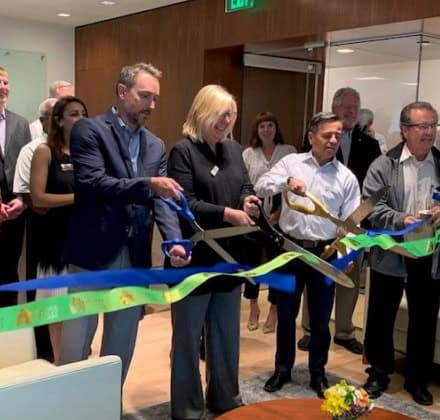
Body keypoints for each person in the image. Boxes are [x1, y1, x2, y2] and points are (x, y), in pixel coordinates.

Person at [58, 63, 189, 388]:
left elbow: (162, 201)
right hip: (91, 258)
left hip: (133, 259)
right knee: (75, 350)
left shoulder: (156, 144)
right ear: (121, 92)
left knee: (120, 350)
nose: (151, 105)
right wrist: (149, 185)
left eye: (155, 98)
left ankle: (107, 408)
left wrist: (173, 240)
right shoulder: (88, 130)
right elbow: (92, 183)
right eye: (145, 96)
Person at [167, 84, 259, 419]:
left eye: (230, 115)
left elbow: (245, 186)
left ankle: (225, 400)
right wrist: (226, 212)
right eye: (220, 114)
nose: (225, 120)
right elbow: (184, 202)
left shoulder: (233, 149)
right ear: (202, 112)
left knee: (225, 338)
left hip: (228, 258)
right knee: (188, 344)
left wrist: (249, 200)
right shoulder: (183, 151)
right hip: (193, 261)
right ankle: (188, 410)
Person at [255, 112, 360, 398]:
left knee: (321, 318)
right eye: (327, 135)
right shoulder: (292, 163)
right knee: (286, 314)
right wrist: (287, 181)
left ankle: (318, 373)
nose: (334, 140)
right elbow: (261, 185)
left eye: (338, 134)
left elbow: (352, 224)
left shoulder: (346, 178)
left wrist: (347, 255)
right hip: (290, 250)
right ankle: (282, 369)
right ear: (311, 137)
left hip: (325, 254)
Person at [362, 101, 440, 406]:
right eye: (423, 126)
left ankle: (417, 379)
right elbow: (370, 210)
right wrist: (402, 219)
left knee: (424, 319)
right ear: (405, 130)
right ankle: (378, 373)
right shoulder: (385, 164)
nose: (430, 132)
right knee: (381, 316)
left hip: (428, 256)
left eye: (434, 125)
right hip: (391, 253)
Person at [298, 87, 381, 355]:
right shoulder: (315, 138)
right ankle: (311, 329)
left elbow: (372, 187)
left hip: (353, 225)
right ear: (335, 108)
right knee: (317, 278)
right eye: (346, 107)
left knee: (349, 278)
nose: (351, 112)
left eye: (355, 108)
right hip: (321, 225)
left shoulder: (369, 144)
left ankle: (344, 331)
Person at [30, 96, 88, 365]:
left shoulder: (88, 154)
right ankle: (59, 362)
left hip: (82, 240)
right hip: (54, 241)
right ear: (59, 120)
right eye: (73, 114)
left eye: (83, 114)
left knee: (80, 309)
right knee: (58, 309)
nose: (80, 119)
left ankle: (77, 359)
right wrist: (77, 199)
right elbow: (38, 198)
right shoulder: (45, 152)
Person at [242, 111, 296, 333]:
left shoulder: (288, 152)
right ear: (257, 130)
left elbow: (293, 185)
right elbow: (243, 184)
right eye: (262, 126)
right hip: (254, 215)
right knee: (252, 264)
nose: (266, 130)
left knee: (277, 264)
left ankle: (273, 309)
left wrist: (280, 212)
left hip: (279, 215)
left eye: (270, 125)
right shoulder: (248, 153)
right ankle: (253, 307)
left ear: (276, 128)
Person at [13, 97, 57, 361]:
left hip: (69, 231)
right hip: (40, 227)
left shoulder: (74, 149)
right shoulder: (32, 150)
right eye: (58, 113)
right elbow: (27, 194)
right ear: (42, 121)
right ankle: (40, 349)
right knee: (39, 289)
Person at [0, 66, 32, 307]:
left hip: (14, 212)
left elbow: (27, 168)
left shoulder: (20, 124)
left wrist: (22, 199)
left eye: (6, 82)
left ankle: (7, 334)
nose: (3, 87)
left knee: (10, 272)